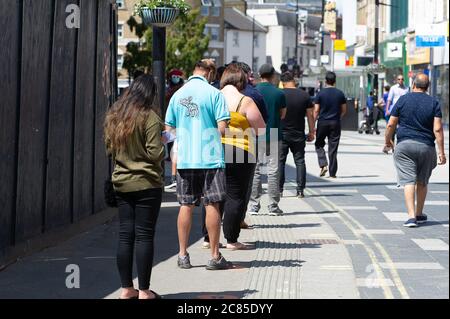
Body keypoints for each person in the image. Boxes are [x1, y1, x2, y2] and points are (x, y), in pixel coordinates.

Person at [165, 59, 231, 270]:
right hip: (210, 158)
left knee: (186, 205)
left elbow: (169, 130)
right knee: (212, 204)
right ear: (210, 73)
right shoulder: (215, 94)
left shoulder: (177, 95)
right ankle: (214, 256)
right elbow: (222, 128)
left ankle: (183, 255)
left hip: (185, 158)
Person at [104, 75, 164, 300]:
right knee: (144, 236)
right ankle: (145, 291)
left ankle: (126, 289)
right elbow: (155, 153)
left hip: (121, 183)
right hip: (147, 183)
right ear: (150, 94)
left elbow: (110, 150)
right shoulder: (150, 117)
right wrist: (164, 142)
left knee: (125, 235)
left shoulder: (115, 117)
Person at [385, 73, 446, 228]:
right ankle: (419, 213)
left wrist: (388, 141)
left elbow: (391, 124)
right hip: (426, 147)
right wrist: (441, 153)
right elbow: (437, 129)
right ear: (428, 86)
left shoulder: (403, 99)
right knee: (422, 181)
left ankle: (411, 217)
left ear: (413, 85)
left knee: (408, 181)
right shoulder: (434, 102)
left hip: (405, 146)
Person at [219, 64, 266, 249]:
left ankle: (208, 239)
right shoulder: (245, 101)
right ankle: (231, 239)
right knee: (235, 195)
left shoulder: (213, 97)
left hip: (213, 148)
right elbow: (260, 129)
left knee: (213, 196)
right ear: (241, 81)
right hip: (240, 150)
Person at [248, 64, 287, 216]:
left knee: (255, 170)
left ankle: (254, 205)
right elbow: (283, 115)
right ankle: (273, 206)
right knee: (273, 170)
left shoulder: (253, 92)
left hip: (256, 134)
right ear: (272, 76)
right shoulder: (279, 93)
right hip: (274, 134)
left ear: (259, 74)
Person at [279, 72, 315, 198]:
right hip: (298, 134)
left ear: (282, 82)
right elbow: (310, 115)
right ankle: (300, 190)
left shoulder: (280, 94)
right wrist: (312, 131)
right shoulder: (304, 95)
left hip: (282, 133)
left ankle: (279, 189)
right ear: (293, 80)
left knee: (280, 162)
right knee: (300, 162)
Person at [313, 71, 347, 178]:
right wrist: (337, 118)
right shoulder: (340, 93)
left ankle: (323, 164)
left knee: (319, 144)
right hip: (335, 122)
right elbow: (344, 110)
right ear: (335, 81)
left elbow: (316, 110)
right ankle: (333, 173)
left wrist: (312, 124)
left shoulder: (320, 93)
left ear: (326, 81)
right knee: (333, 148)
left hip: (322, 122)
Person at [165, 69, 185, 190]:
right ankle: (174, 177)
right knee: (172, 145)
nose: (175, 78)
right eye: (173, 76)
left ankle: (174, 177)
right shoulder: (169, 88)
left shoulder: (181, 88)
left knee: (175, 148)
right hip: (171, 120)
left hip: (176, 121)